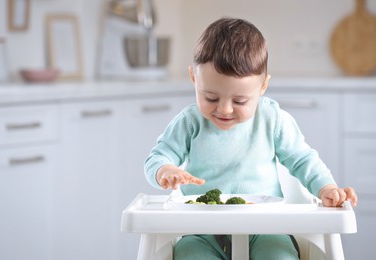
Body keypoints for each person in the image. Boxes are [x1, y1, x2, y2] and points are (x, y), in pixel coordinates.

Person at [144, 17, 358, 260]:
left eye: (240, 101)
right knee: (188, 254)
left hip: (266, 228)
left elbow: (302, 159)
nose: (224, 109)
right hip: (201, 231)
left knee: (279, 256)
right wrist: (165, 170)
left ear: (263, 86)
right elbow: (157, 157)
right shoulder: (189, 122)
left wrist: (326, 187)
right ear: (194, 78)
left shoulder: (272, 119)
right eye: (211, 98)